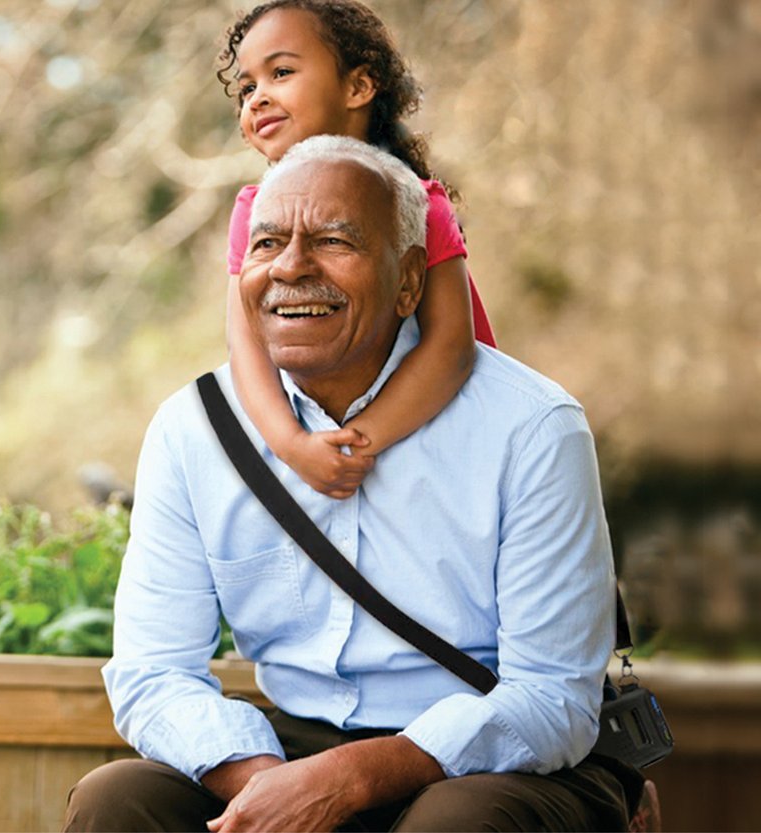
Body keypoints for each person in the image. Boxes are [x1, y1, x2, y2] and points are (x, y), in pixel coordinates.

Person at [61, 137, 629, 832]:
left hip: (492, 758)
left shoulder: (532, 427)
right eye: (267, 243)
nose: (292, 266)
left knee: (459, 822)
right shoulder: (194, 430)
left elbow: (551, 699)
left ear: (410, 281)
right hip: (291, 745)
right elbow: (153, 674)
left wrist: (351, 779)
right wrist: (271, 783)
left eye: (333, 240)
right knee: (117, 799)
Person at [220, 0, 490, 500]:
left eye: (280, 72)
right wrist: (292, 444)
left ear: (358, 87)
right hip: (324, 450)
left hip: (441, 439)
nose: (257, 98)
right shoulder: (252, 212)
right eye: (247, 87)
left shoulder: (418, 205)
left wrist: (357, 444)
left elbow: (451, 347)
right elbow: (246, 350)